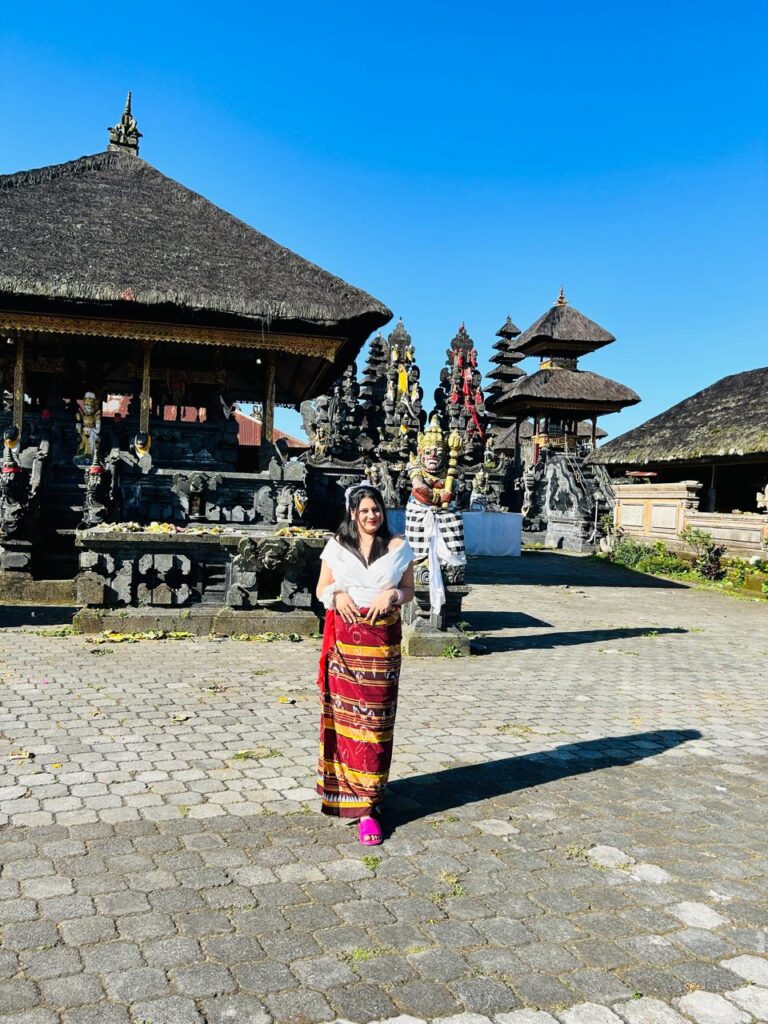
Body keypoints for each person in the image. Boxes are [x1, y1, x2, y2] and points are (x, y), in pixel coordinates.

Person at [315, 483, 414, 845]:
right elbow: (321, 588)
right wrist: (337, 593)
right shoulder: (337, 547)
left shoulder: (399, 547)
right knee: (347, 723)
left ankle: (372, 800)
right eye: (364, 510)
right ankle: (357, 805)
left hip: (382, 647)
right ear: (352, 514)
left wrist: (393, 594)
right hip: (344, 645)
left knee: (375, 725)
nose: (371, 516)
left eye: (376, 510)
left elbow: (408, 591)